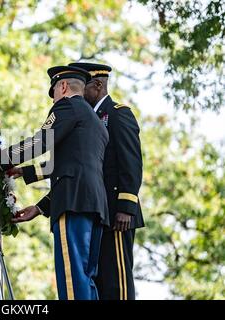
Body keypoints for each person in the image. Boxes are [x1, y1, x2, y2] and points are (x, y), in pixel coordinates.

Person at [0, 65, 109, 300]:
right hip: (94, 205)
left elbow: (40, 142)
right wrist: (39, 208)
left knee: (72, 280)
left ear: (63, 86)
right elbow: (70, 167)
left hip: (73, 204)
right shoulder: (96, 122)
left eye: (55, 92)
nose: (54, 98)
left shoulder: (67, 106)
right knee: (87, 280)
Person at [68, 62, 145, 300]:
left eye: (83, 86)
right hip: (97, 213)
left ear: (98, 85)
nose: (77, 92)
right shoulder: (86, 119)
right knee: (98, 282)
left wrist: (126, 207)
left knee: (117, 282)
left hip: (116, 213)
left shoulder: (118, 113)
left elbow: (131, 162)